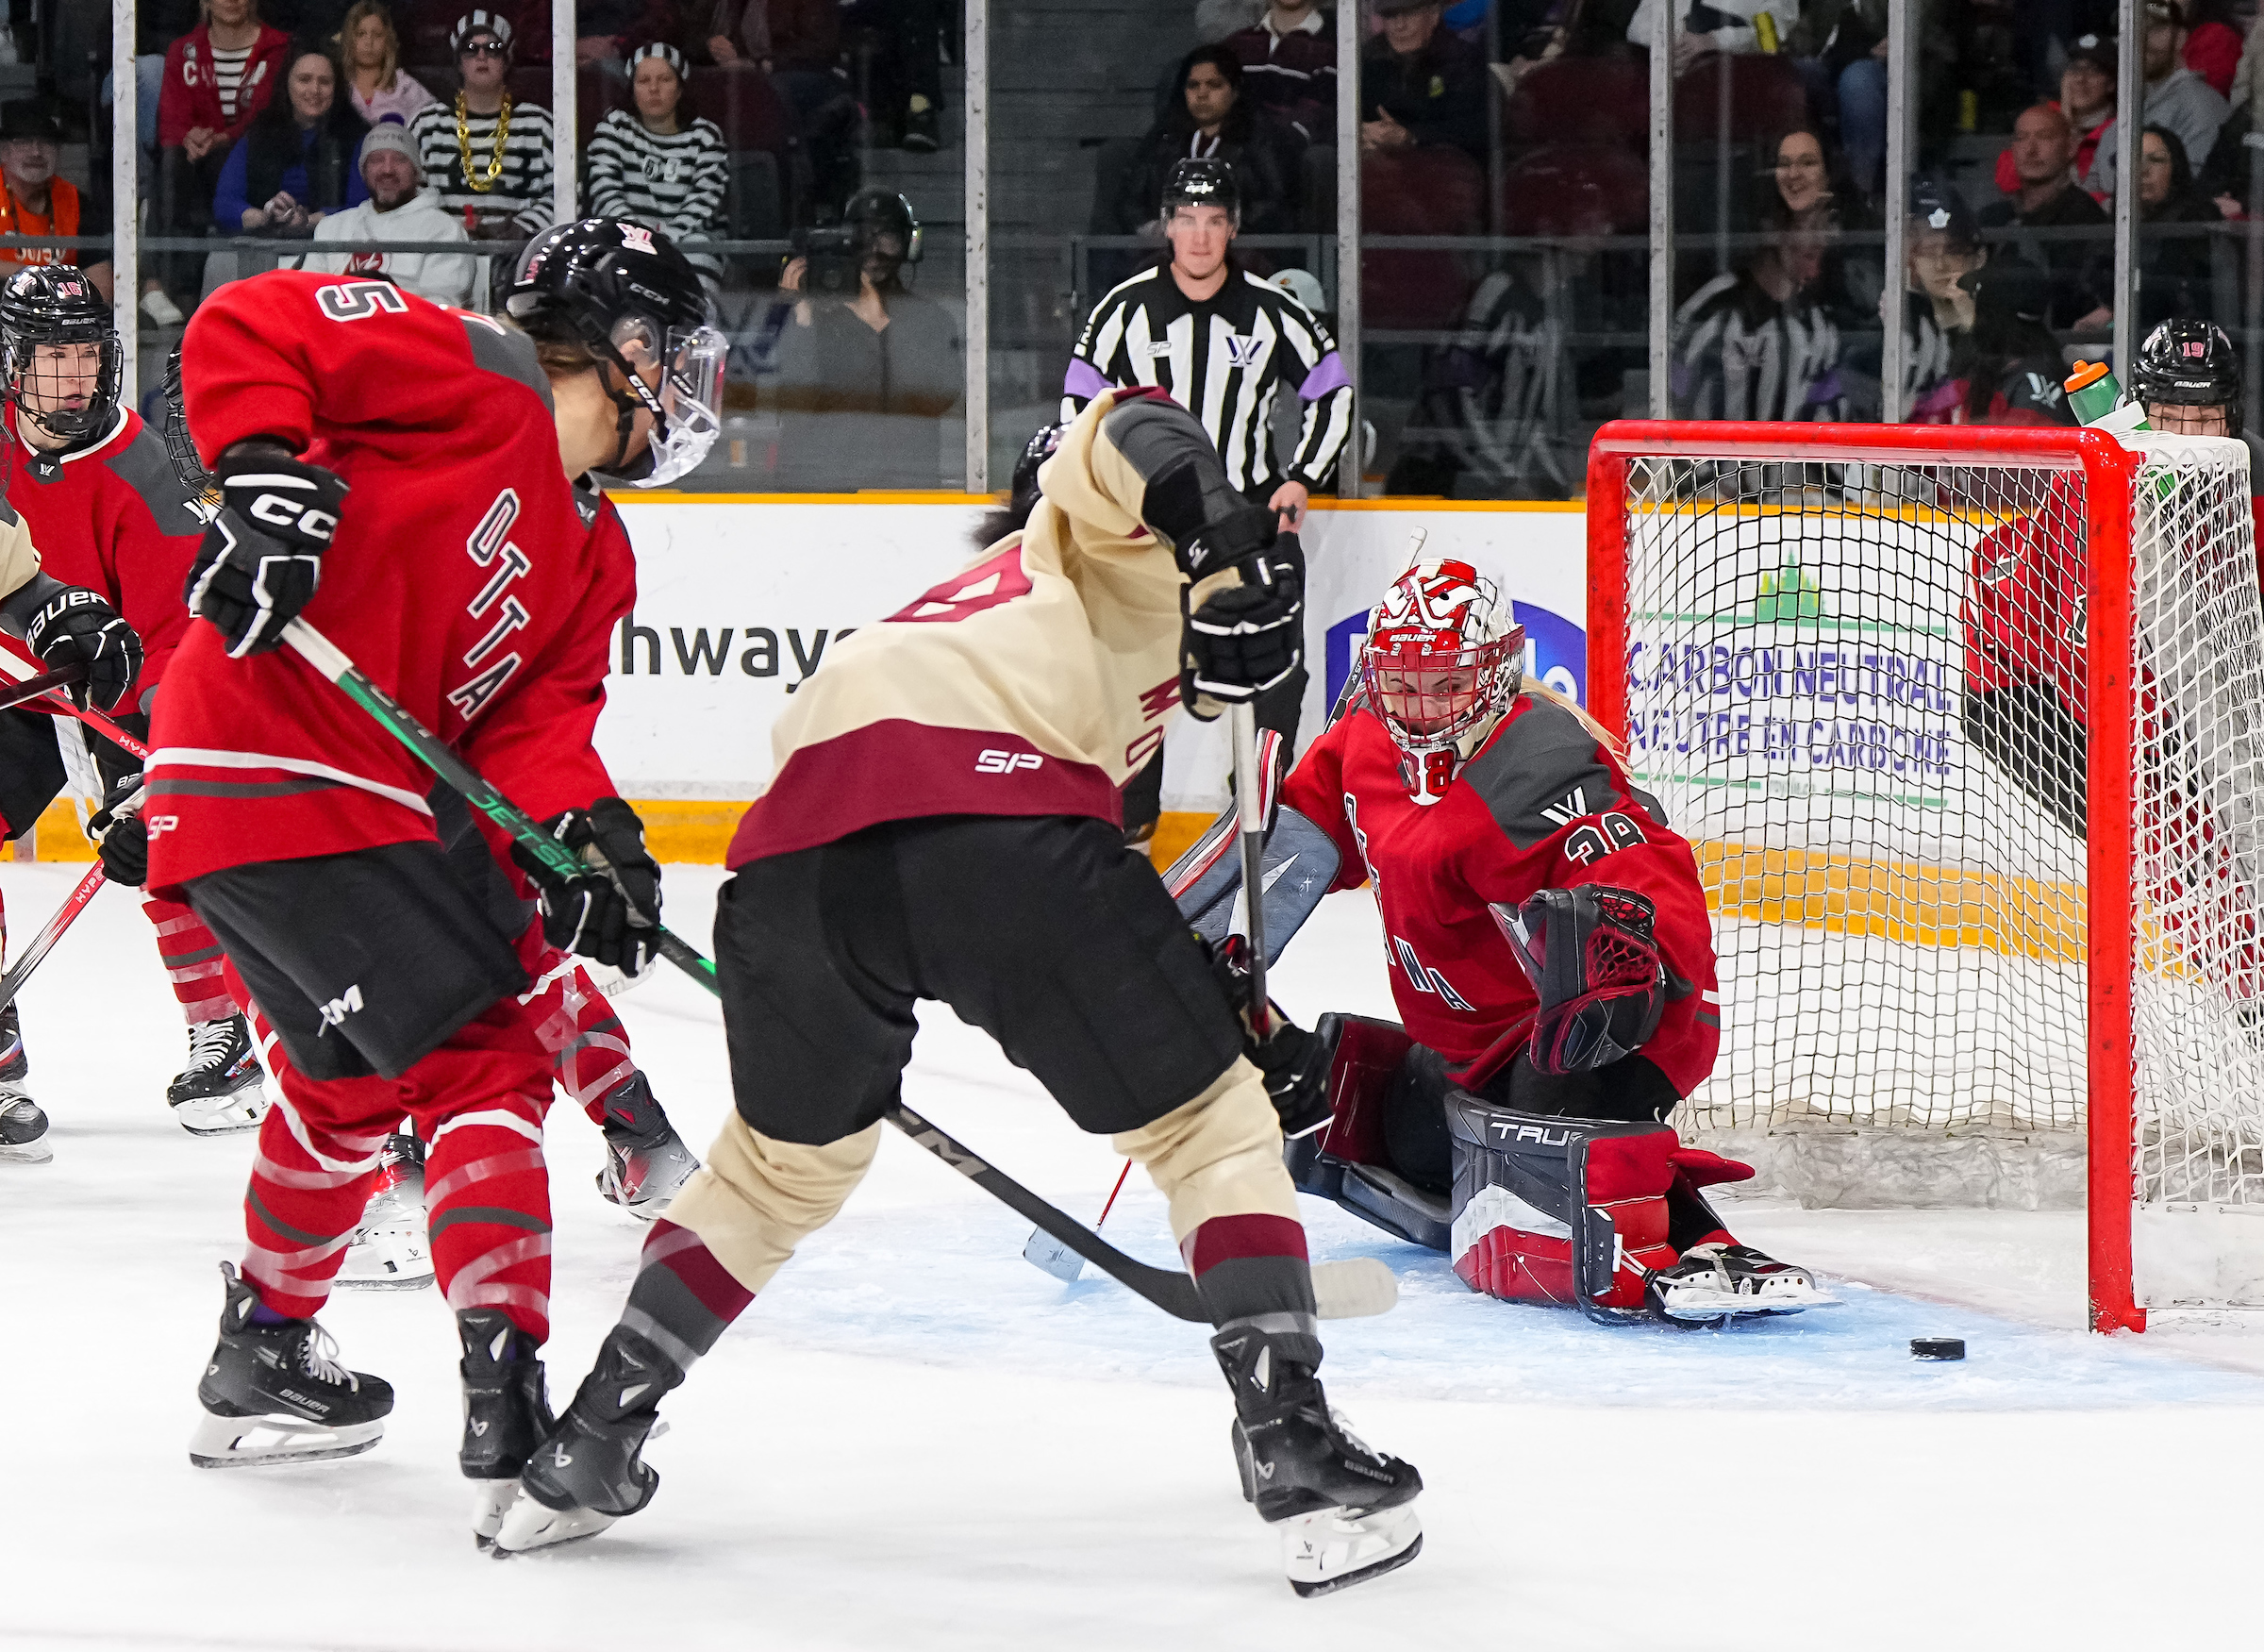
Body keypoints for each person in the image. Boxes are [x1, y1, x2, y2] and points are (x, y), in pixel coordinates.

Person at [485, 386, 1424, 1604]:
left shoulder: (983, 633)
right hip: (993, 821)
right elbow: (1136, 432)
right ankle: (1292, 1438)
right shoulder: (1089, 538)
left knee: (773, 1170)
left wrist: (1193, 996)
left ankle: (594, 1434)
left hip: (788, 867)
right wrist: (1229, 545)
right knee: (1213, 1122)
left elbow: (1098, 904)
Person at [157, 227, 722, 1540]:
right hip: (284, 755)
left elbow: (533, 731)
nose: (689, 386)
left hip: (292, 800)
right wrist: (261, 476)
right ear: (627, 350)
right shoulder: (481, 370)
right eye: (676, 354)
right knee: (487, 1062)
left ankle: (266, 1350)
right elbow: (248, 323)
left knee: (353, 1083)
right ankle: (507, 1400)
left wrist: (592, 841)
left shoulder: (600, 551)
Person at [1215, 559, 1823, 1322]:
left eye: (1446, 684)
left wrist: (1627, 961)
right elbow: (1291, 852)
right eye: (1402, 681)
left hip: (1595, 1032)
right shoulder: (1359, 746)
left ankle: (1701, 1242)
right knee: (1385, 1131)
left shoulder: (1540, 764)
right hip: (1472, 1054)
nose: (1421, 709)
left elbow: (1645, 867)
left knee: (1550, 1156)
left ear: (1497, 671)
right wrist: (1201, 947)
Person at [0, 270, 260, 1134]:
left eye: (85, 356)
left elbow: (174, 628)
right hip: (13, 678)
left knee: (163, 839)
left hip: (116, 680)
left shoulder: (138, 464)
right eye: (53, 358)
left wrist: (155, 744)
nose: (74, 378)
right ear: (13, 362)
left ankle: (223, 1037)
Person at [1064, 156, 1352, 834]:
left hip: (1248, 522)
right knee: (1138, 678)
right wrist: (1103, 497)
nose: (1199, 237)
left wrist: (1301, 472)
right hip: (1148, 532)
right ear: (1166, 226)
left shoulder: (1273, 311)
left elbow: (1331, 389)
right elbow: (1079, 404)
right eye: (1187, 220)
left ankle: (1261, 814)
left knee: (1274, 674)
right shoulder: (1123, 309)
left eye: (1214, 222)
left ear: (1233, 229)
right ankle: (1130, 831)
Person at [764, 189, 961, 489]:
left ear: (909, 244)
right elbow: (787, 401)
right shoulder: (813, 315)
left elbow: (938, 397)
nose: (874, 250)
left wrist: (879, 322)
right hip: (815, 492)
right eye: (862, 236)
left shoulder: (931, 319)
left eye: (887, 237)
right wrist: (798, 316)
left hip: (901, 492)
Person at [1891, 178, 2074, 426]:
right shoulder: (1905, 335)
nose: (1940, 264)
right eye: (1927, 250)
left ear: (1979, 258)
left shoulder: (2016, 363)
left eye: (1953, 250)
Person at [154, 0, 291, 324]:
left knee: (205, 164)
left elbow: (270, 113)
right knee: (173, 160)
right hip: (197, 163)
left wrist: (223, 138)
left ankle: (168, 287)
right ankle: (176, 293)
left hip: (256, 160)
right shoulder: (183, 50)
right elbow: (171, 121)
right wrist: (190, 137)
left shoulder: (279, 47)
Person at [1671, 199, 1846, 421]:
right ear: (1772, 227)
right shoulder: (1712, 309)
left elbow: (1828, 415)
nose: (1821, 239)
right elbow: (1671, 399)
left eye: (1826, 228)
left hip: (1788, 455)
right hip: (1712, 455)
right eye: (1810, 226)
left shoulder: (1819, 327)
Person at [1116, 45, 1299, 237]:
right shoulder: (1162, 139)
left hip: (1240, 251)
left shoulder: (1260, 140)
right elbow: (1129, 203)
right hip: (1168, 250)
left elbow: (1277, 207)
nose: (1202, 94)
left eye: (1214, 85)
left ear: (1235, 91)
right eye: (1193, 85)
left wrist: (1222, 226)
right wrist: (1155, 228)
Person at [409, 10, 557, 248]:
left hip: (518, 254)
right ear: (458, 62)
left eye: (493, 48)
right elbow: (410, 194)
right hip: (443, 254)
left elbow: (567, 193)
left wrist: (521, 227)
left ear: (506, 59)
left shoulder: (538, 123)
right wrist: (448, 229)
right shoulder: (428, 123)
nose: (481, 56)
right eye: (470, 48)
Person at [586, 42, 728, 277]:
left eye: (664, 79)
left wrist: (664, 241)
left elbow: (704, 202)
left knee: (701, 256)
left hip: (689, 245)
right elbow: (605, 192)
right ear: (632, 89)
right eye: (643, 81)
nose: (654, 88)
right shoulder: (614, 127)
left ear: (680, 89)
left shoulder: (706, 136)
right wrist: (639, 239)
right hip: (625, 241)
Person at [299, 118, 476, 306]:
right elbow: (307, 299)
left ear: (417, 171)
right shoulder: (331, 228)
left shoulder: (444, 231)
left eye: (400, 160)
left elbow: (441, 308)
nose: (388, 169)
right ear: (364, 171)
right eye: (376, 160)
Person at [215, 41, 371, 239]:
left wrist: (308, 222)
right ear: (286, 83)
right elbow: (225, 204)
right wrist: (267, 217)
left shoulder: (357, 137)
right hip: (265, 243)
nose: (314, 90)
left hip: (330, 246)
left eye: (324, 82)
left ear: (337, 88)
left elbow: (361, 208)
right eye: (304, 80)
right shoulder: (259, 132)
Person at [1979, 103, 2110, 333]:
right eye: (2022, 138)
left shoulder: (2085, 218)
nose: (2031, 149)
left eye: (2045, 137)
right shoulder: (1994, 217)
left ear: (2070, 148)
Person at [2085, 0, 2229, 195]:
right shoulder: (2127, 110)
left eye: (2155, 30)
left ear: (2180, 38)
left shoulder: (2200, 105)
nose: (2141, 40)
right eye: (2132, 29)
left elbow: (2191, 195)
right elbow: (2091, 192)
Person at [0, 103, 115, 302]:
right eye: (24, 142)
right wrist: (43, 280)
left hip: (61, 317)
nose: (36, 152)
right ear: (4, 151)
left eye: (46, 142)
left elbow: (102, 283)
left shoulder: (77, 202)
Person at [1359, 0, 1487, 163]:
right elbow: (1341, 117)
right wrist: (1360, 132)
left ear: (1433, 15)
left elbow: (1477, 130)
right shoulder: (1368, 60)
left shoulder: (1463, 60)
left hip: (1446, 171)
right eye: (1391, 16)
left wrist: (1411, 137)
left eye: (1409, 14)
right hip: (1379, 170)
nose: (1399, 26)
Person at [1224, 0, 1337, 143]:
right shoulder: (1236, 44)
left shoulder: (1335, 46)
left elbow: (1316, 116)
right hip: (1234, 153)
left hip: (1294, 156)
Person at [340, 0, 437, 126]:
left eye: (377, 35)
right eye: (361, 34)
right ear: (349, 40)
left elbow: (436, 122)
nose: (369, 42)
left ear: (388, 41)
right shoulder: (340, 87)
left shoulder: (405, 86)